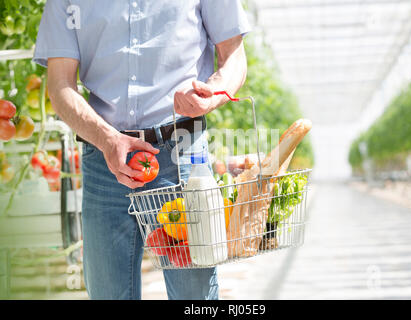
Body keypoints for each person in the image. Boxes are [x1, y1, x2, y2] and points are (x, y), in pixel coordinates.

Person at [33, 0, 250, 300]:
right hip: (104, 160)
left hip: (183, 154)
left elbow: (234, 57)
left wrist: (214, 92)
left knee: (195, 296)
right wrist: (108, 140)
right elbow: (59, 85)